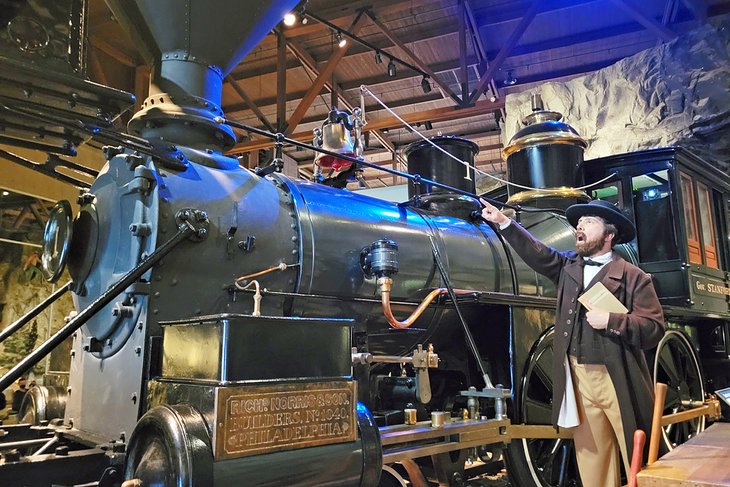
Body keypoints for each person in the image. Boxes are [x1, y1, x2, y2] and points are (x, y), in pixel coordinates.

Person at [480, 198, 665, 487]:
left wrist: (613, 320)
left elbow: (654, 327)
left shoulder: (633, 276)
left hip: (616, 376)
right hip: (577, 375)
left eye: (589, 221)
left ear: (609, 235)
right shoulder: (568, 267)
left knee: (636, 451)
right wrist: (504, 223)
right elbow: (538, 253)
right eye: (579, 222)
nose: (579, 225)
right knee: (591, 455)